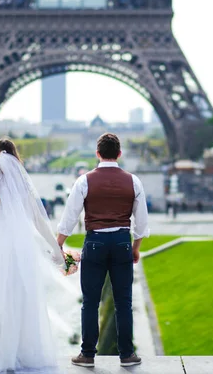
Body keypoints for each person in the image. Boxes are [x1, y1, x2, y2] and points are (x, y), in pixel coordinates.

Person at [57, 133, 149, 368]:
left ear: (97, 154)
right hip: (121, 242)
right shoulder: (134, 181)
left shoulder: (84, 181)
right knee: (124, 302)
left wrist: (58, 243)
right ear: (119, 154)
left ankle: (87, 354)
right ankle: (127, 354)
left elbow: (69, 217)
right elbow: (141, 222)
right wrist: (135, 248)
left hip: (95, 242)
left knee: (90, 302)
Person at [0, 138, 64, 374]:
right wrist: (56, 248)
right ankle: (21, 352)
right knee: (20, 296)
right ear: (15, 158)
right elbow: (37, 220)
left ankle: (1, 354)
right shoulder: (21, 183)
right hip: (18, 244)